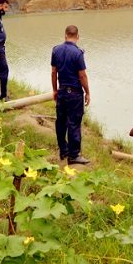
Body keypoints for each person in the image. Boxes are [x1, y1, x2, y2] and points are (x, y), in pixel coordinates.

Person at [51, 25, 91, 165]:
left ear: (65, 35)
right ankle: (74, 155)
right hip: (74, 93)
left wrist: (55, 90)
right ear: (77, 36)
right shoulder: (77, 53)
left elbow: (53, 72)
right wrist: (87, 92)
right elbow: (82, 75)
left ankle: (63, 150)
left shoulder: (56, 50)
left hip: (62, 91)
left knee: (61, 122)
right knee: (74, 123)